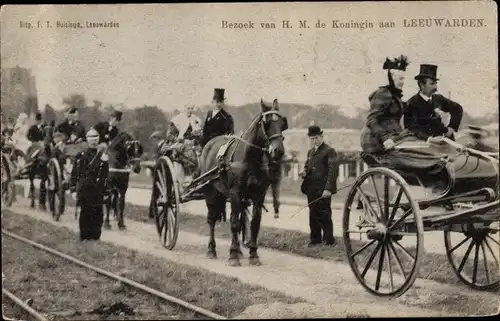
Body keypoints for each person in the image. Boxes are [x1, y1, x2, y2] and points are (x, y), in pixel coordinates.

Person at [299, 125, 338, 247]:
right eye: (312, 138)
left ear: (321, 136)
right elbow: (307, 166)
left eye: (316, 137)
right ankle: (315, 240)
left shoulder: (329, 151)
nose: (315, 140)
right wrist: (304, 172)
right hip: (311, 188)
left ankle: (329, 240)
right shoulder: (310, 152)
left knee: (325, 214)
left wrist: (328, 189)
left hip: (323, 189)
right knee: (313, 214)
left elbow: (333, 171)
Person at [404, 64, 463, 141]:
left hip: (445, 141)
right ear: (422, 85)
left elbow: (457, 108)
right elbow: (411, 128)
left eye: (435, 83)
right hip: (425, 145)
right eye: (432, 84)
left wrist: (451, 127)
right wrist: (429, 139)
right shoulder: (411, 104)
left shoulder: (439, 99)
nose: (435, 87)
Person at [70, 128, 109, 242]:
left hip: (98, 189)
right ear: (87, 140)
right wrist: (73, 189)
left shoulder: (103, 156)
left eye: (96, 138)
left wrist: (107, 191)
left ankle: (96, 238)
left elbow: (106, 175)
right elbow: (75, 174)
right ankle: (85, 238)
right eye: (91, 138)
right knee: (86, 214)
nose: (94, 140)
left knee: (98, 215)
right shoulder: (81, 155)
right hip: (85, 190)